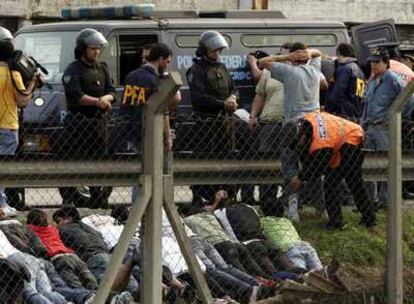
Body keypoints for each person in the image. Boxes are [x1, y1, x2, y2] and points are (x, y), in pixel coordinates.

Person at [259, 42, 322, 220]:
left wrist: (286, 57)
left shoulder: (288, 71)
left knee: (290, 166)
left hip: (293, 127)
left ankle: (292, 206)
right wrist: (307, 53)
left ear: (294, 57)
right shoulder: (315, 70)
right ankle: (321, 207)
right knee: (314, 167)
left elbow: (262, 62)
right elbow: (319, 54)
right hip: (313, 127)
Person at [283, 111, 377, 229]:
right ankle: (369, 218)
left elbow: (319, 165)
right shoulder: (308, 121)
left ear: (302, 135)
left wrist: (301, 178)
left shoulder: (320, 142)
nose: (298, 147)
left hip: (351, 141)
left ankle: (336, 222)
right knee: (354, 183)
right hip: (348, 136)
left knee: (333, 183)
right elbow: (311, 159)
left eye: (297, 144)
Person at [61, 28, 116, 208]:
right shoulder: (73, 69)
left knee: (99, 162)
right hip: (78, 124)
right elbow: (75, 95)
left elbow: (112, 91)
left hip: (98, 125)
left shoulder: (102, 68)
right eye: (93, 48)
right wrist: (96, 102)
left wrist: (106, 99)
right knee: (75, 163)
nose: (96, 52)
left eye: (98, 49)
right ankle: (70, 199)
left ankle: (98, 198)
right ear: (83, 49)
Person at [120, 43, 181, 203]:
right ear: (160, 59)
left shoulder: (132, 76)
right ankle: (148, 208)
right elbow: (163, 110)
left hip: (132, 129)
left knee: (142, 174)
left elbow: (127, 105)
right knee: (153, 174)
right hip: (152, 131)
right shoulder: (156, 80)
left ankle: (138, 208)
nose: (168, 65)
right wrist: (167, 135)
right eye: (167, 61)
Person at [187, 30, 239, 204]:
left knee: (225, 161)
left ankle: (222, 198)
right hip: (205, 125)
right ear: (204, 50)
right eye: (213, 50)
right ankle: (201, 199)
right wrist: (222, 104)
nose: (217, 53)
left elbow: (233, 88)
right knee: (204, 162)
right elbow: (198, 97)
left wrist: (233, 97)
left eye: (219, 50)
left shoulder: (222, 67)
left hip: (224, 125)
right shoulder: (196, 69)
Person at [52, 206, 140, 296]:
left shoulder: (63, 229)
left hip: (94, 259)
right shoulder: (89, 228)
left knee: (107, 291)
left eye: (58, 221)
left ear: (68, 219)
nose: (56, 225)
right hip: (110, 256)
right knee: (130, 285)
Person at [362, 47, 405, 208]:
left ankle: (385, 201)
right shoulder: (373, 80)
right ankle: (371, 200)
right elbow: (366, 104)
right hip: (370, 128)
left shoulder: (393, 79)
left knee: (386, 165)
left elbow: (408, 100)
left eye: (377, 62)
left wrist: (395, 117)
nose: (373, 65)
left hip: (385, 129)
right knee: (369, 165)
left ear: (386, 63)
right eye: (372, 62)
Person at [0, 26, 36, 218]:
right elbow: (23, 100)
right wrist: (32, 83)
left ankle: (1, 203)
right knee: (3, 168)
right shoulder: (13, 74)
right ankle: (1, 204)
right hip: (7, 126)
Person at [247, 50, 284, 207]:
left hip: (291, 124)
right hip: (269, 124)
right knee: (267, 164)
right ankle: (267, 201)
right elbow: (259, 95)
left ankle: (287, 201)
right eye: (280, 54)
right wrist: (253, 116)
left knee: (288, 164)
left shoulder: (298, 71)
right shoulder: (269, 72)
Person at [26, 209, 98, 290]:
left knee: (75, 286)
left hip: (58, 258)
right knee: (90, 281)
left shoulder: (30, 230)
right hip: (73, 256)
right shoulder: (53, 229)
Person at [260, 200, 323, 273]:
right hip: (304, 245)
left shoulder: (262, 221)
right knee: (319, 273)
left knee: (300, 274)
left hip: (288, 248)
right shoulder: (286, 221)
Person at [326, 43, 365, 121]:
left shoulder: (345, 69)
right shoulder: (359, 69)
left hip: (343, 112)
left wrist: (329, 109)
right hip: (356, 111)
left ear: (339, 53)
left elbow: (337, 91)